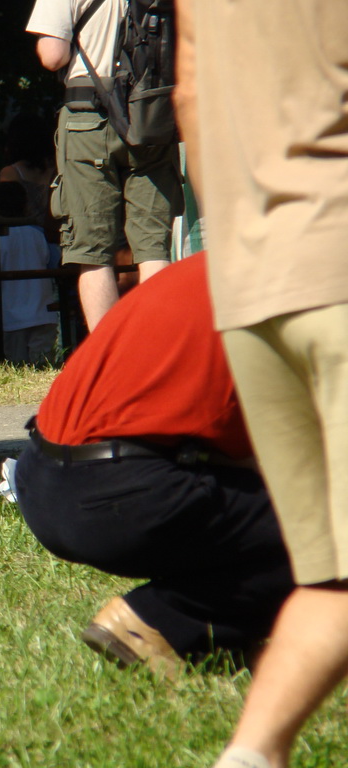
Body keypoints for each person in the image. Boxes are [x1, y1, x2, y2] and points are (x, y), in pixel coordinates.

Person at [173, 3, 348, 767]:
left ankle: (251, 754)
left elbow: (188, 92)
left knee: (328, 579)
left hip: (251, 280)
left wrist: (243, 237)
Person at [14, 253, 294, 677]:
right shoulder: (296, 292)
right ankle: (163, 619)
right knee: (322, 531)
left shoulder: (207, 266)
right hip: (115, 494)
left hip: (38, 474)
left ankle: (218, 645)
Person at [25, 0, 183, 331]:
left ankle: (111, 360)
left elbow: (53, 56)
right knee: (154, 247)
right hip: (152, 119)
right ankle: (159, 350)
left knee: (93, 252)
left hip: (89, 121)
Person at [0, 181, 59, 366]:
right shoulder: (40, 233)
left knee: (17, 369)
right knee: (44, 368)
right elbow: (55, 264)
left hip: (11, 317)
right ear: (25, 203)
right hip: (43, 312)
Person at [0, 111, 57, 241]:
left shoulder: (11, 172)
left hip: (27, 241)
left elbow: (11, 214)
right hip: (57, 240)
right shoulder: (58, 169)